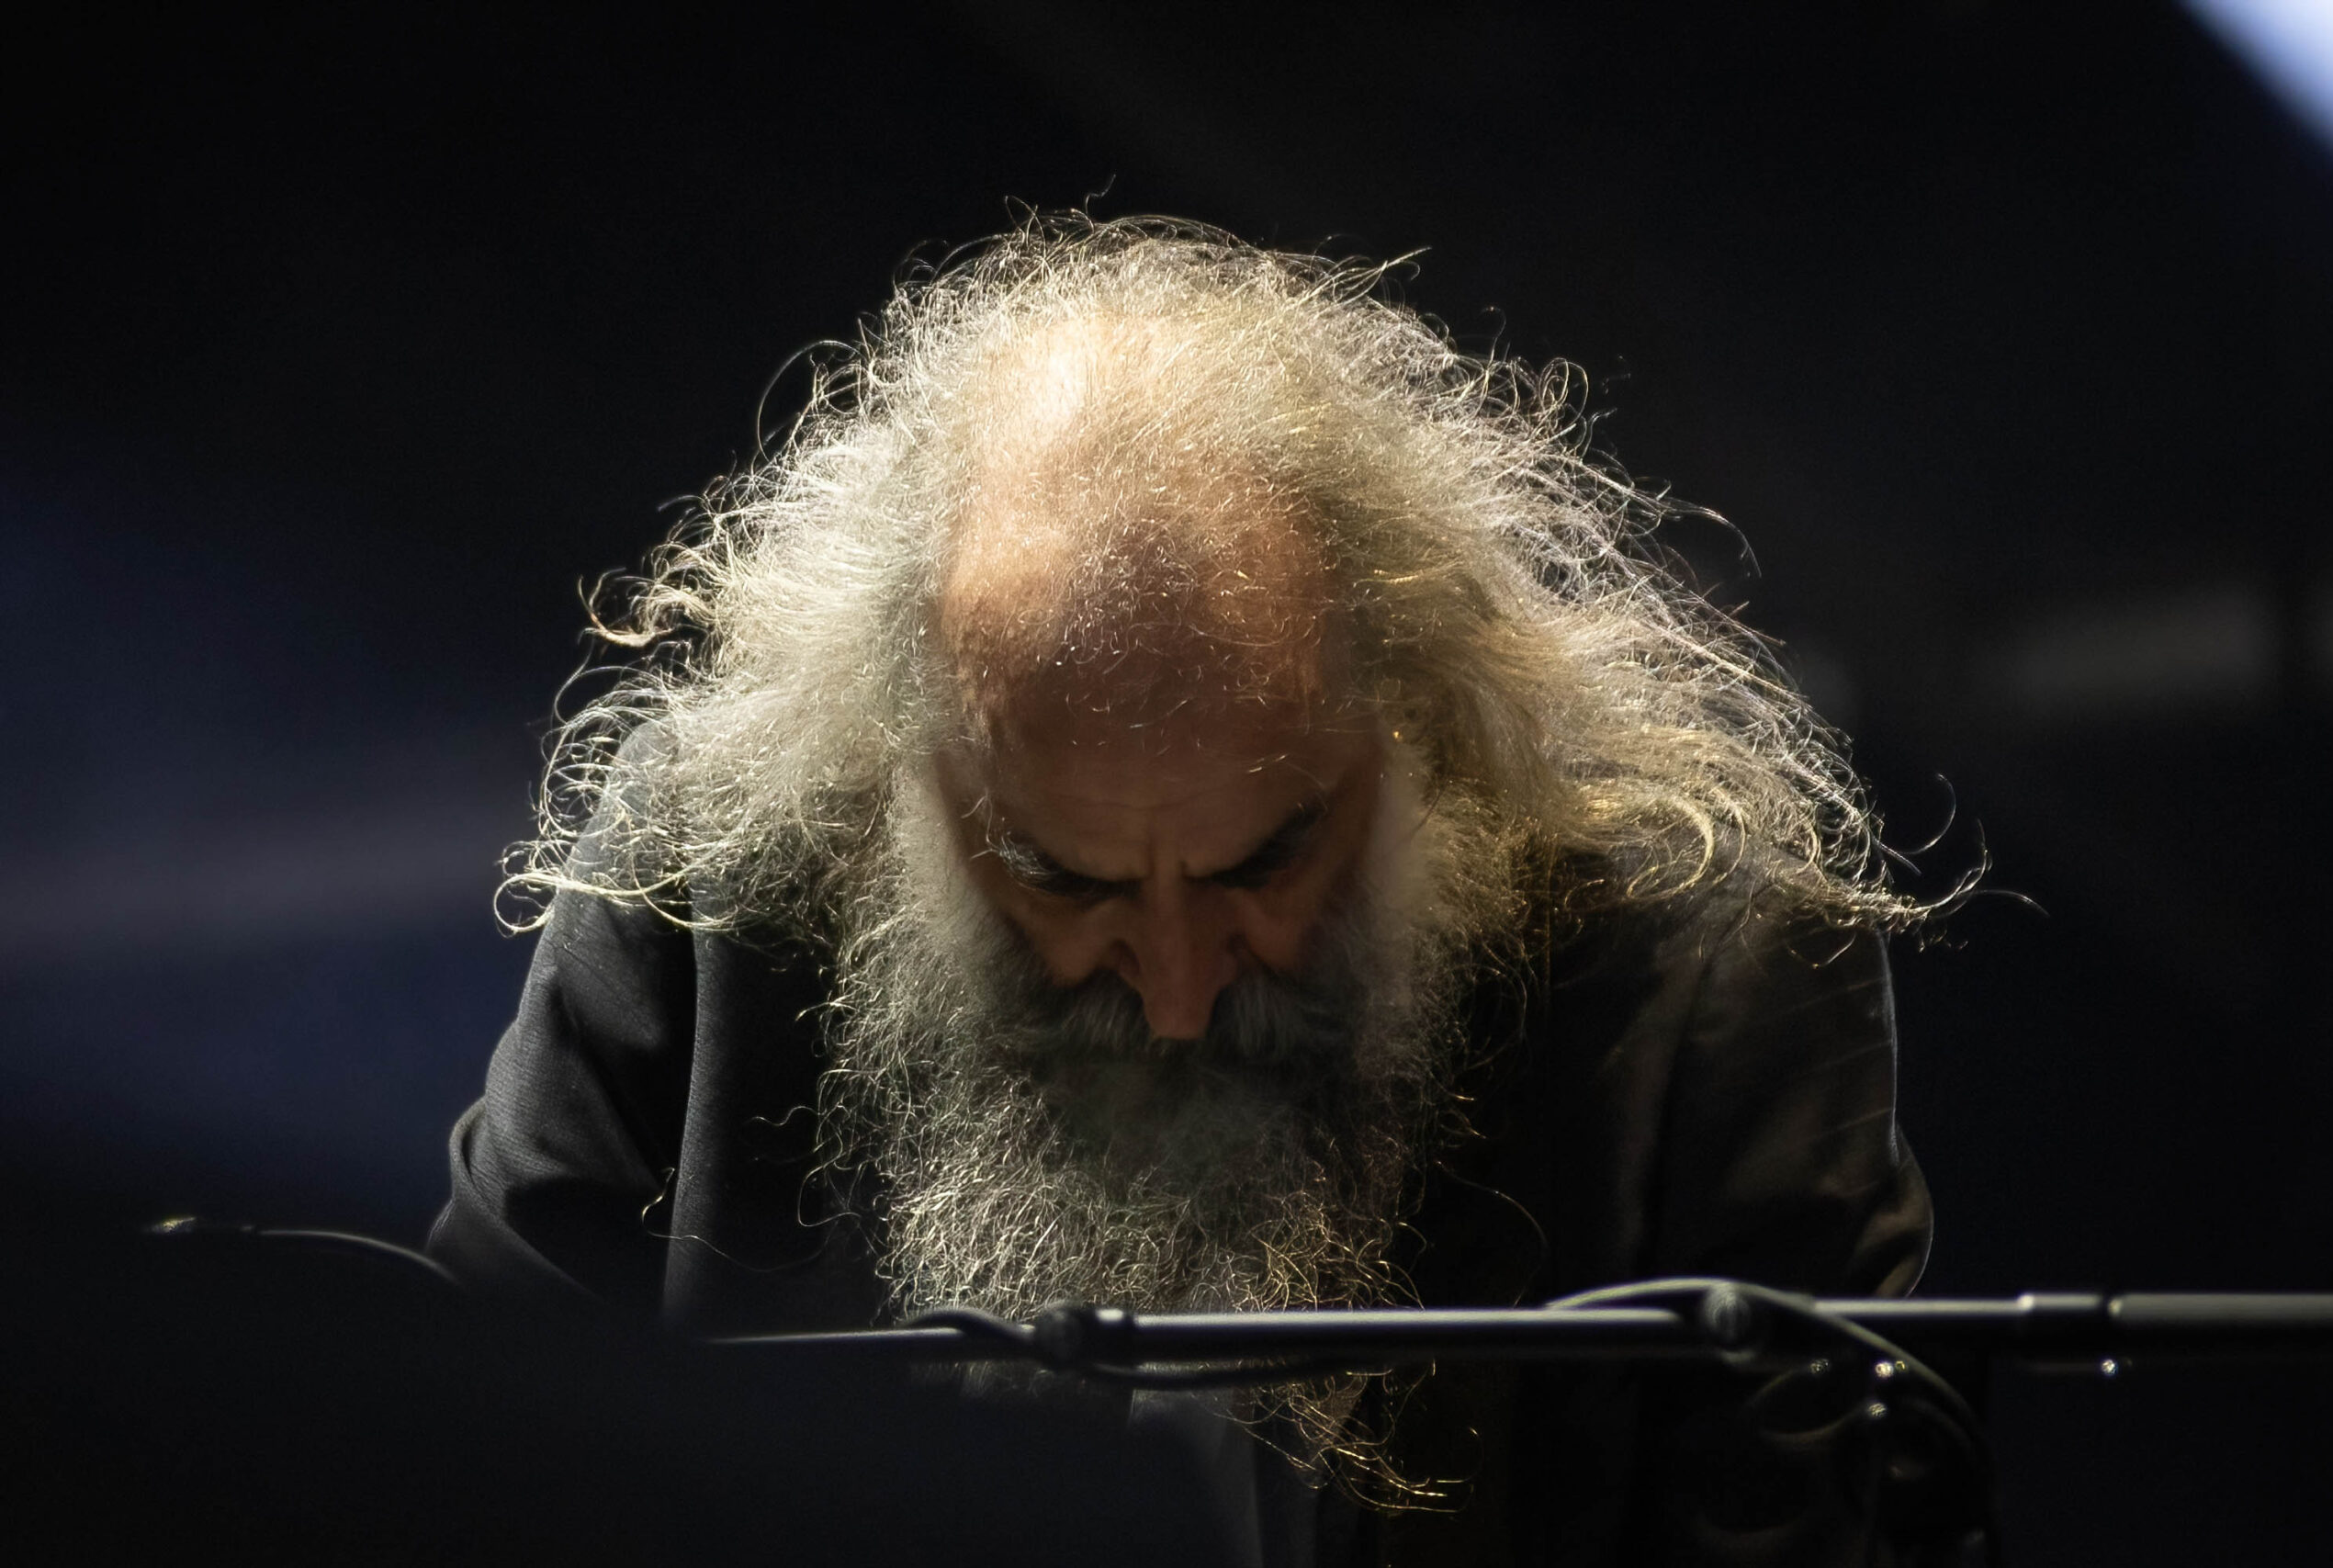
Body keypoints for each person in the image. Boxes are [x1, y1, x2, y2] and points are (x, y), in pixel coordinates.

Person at [431, 216, 1938, 1564]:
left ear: (1423, 720)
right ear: (902, 779)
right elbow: (454, 1469)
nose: (1174, 987)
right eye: (1056, 874)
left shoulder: (1705, 997)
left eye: (1268, 860)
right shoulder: (708, 893)